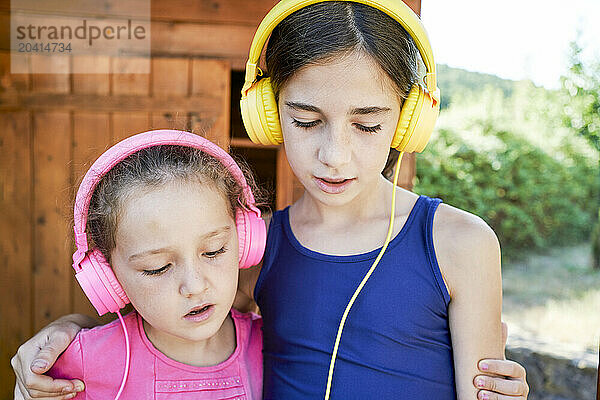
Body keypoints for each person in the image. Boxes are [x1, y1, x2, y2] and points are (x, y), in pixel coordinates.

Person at [12, 1, 529, 399]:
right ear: (267, 113)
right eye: (306, 121)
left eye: (367, 124)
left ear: (407, 120)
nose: (334, 155)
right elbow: (166, 324)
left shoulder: (462, 243)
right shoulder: (253, 249)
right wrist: (67, 331)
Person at [31, 130, 265, 399]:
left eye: (214, 251)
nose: (195, 286)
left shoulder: (274, 344)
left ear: (245, 240)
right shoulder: (79, 362)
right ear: (107, 277)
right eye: (158, 267)